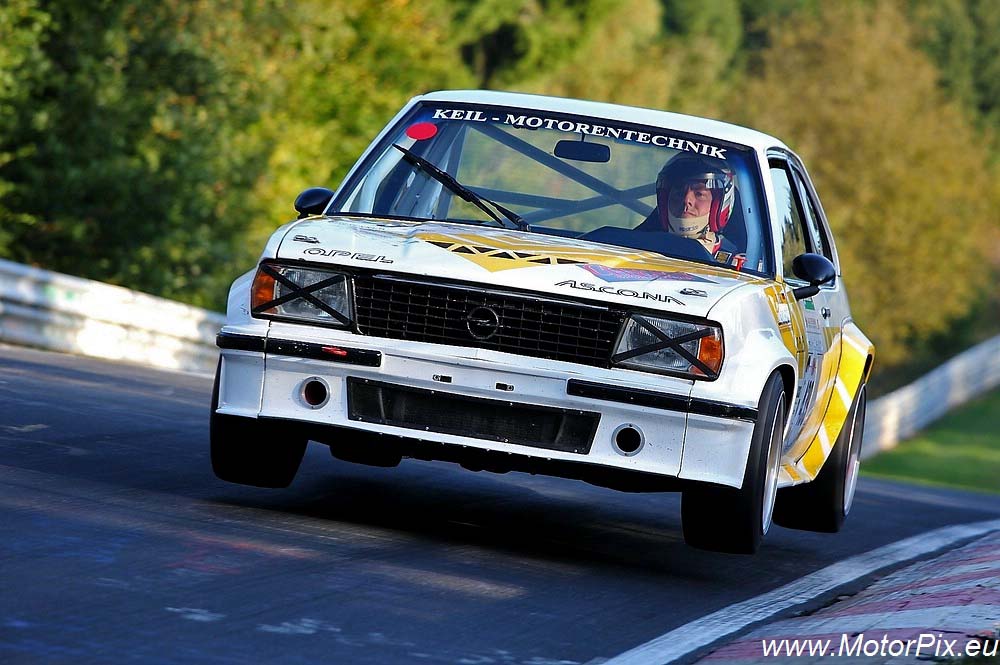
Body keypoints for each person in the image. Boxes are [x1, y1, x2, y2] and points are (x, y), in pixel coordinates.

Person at [637, 153, 745, 268]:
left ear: (719, 204)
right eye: (679, 192)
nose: (686, 200)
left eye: (699, 194)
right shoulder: (636, 247)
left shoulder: (738, 267)